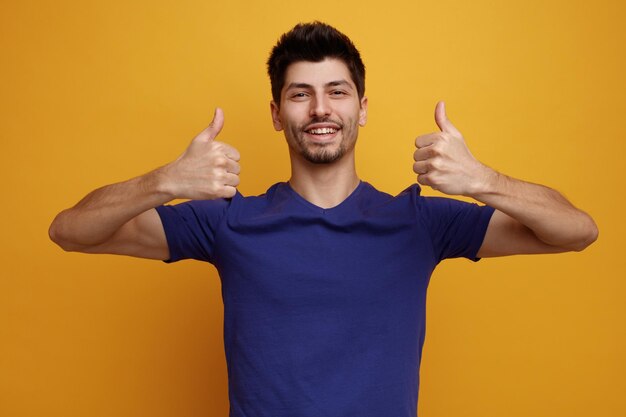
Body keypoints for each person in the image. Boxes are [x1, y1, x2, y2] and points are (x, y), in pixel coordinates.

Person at [49, 21, 597, 417]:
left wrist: (484, 182)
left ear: (361, 108)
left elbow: (578, 231)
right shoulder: (228, 222)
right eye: (300, 94)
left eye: (337, 92)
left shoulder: (419, 222)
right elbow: (69, 231)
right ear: (275, 113)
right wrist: (164, 181)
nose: (320, 109)